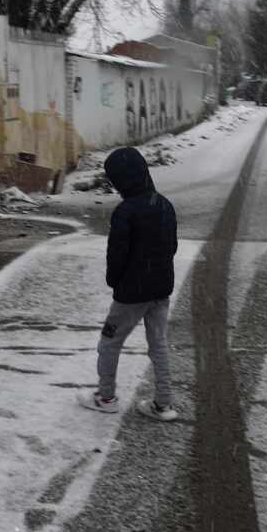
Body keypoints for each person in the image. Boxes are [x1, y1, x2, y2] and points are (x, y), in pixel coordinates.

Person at [82, 147, 180, 422]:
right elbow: (171, 247)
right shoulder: (164, 204)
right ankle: (163, 404)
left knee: (109, 343)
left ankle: (106, 396)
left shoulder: (125, 211)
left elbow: (117, 254)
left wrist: (115, 281)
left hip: (131, 293)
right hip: (161, 289)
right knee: (158, 344)